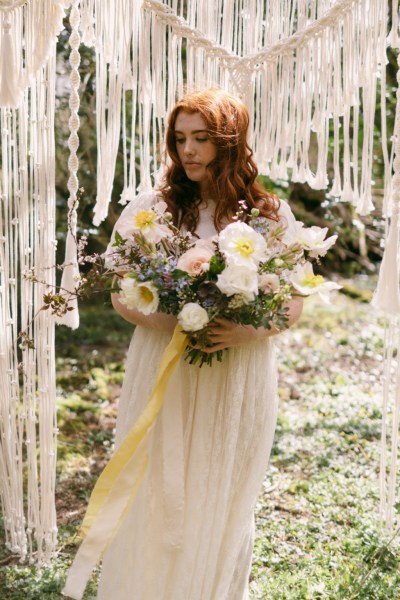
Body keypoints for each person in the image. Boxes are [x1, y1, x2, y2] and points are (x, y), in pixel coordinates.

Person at [96, 88, 303, 600]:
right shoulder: (153, 209)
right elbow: (119, 290)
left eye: (202, 139)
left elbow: (295, 302)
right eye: (180, 138)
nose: (187, 150)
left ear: (229, 143)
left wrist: (245, 330)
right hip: (163, 364)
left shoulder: (268, 215)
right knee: (158, 489)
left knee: (223, 486)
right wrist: (174, 325)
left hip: (238, 369)